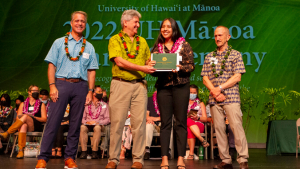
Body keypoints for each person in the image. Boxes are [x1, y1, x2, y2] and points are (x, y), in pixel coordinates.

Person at [36, 11, 99, 169]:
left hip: (81, 86)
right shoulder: (59, 43)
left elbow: (92, 71)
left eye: (82, 21)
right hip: (61, 84)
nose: (79, 23)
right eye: (76, 21)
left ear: (85, 24)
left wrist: (90, 91)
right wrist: (52, 86)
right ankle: (43, 158)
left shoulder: (89, 47)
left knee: (75, 124)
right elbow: (52, 65)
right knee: (53, 122)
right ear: (71, 23)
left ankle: (70, 158)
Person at [105, 9, 156, 169]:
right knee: (117, 123)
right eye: (135, 22)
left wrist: (165, 66)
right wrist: (143, 67)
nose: (138, 25)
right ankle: (113, 159)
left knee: (139, 124)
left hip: (140, 85)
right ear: (125, 22)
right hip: (120, 84)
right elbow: (119, 62)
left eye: (138, 22)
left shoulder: (143, 41)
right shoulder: (115, 39)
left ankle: (138, 160)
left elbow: (149, 62)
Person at [201, 26, 249, 169]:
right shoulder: (210, 56)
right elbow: (205, 78)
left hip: (231, 97)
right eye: (215, 35)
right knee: (219, 129)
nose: (217, 38)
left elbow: (237, 76)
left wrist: (220, 88)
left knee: (236, 127)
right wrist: (214, 92)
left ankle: (243, 159)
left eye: (221, 35)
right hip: (214, 99)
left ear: (228, 37)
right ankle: (225, 160)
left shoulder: (235, 54)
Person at [150, 18, 195, 169]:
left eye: (169, 26)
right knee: (165, 123)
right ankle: (164, 159)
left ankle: (181, 158)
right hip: (163, 88)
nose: (165, 29)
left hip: (181, 86)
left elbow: (191, 66)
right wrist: (152, 67)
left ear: (174, 28)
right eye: (163, 27)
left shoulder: (184, 44)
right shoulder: (157, 47)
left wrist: (179, 67)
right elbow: (153, 73)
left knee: (181, 122)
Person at [0, 85, 47, 158]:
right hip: (24, 125)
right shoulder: (23, 104)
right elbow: (18, 118)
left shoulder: (41, 104)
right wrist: (26, 118)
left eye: (37, 91)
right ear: (29, 92)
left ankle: (7, 132)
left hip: (35, 125)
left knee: (25, 116)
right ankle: (20, 151)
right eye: (34, 91)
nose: (36, 92)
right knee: (23, 125)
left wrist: (32, 117)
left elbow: (44, 119)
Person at [79, 85, 110, 159]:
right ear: (93, 93)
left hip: (99, 125)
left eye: (101, 92)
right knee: (82, 127)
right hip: (88, 124)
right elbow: (82, 118)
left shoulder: (104, 105)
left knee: (97, 128)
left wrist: (98, 122)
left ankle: (94, 152)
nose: (101, 93)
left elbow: (108, 119)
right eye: (99, 91)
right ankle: (84, 151)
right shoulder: (87, 104)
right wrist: (88, 122)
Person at [144, 91, 172, 160]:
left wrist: (155, 118)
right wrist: (149, 119)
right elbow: (147, 115)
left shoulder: (168, 100)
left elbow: (168, 116)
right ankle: (146, 150)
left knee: (168, 126)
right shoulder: (149, 99)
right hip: (152, 123)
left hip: (163, 123)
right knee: (148, 125)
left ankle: (168, 151)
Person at [186, 84, 209, 160]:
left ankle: (191, 154)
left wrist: (198, 118)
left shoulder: (201, 103)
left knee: (189, 126)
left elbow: (205, 118)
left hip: (199, 125)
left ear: (197, 93)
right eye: (190, 92)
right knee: (188, 120)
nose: (192, 94)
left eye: (194, 93)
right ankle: (201, 139)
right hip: (187, 125)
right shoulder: (184, 103)